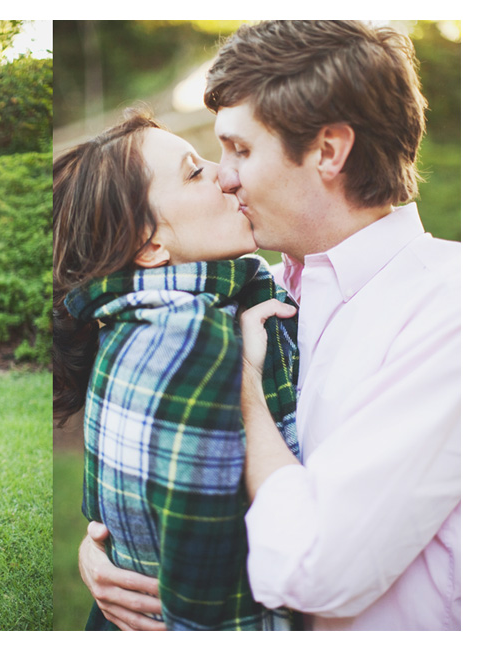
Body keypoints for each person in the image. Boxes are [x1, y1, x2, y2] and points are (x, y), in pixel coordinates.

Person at [77, 20, 460, 631]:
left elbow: (314, 568)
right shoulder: (258, 288)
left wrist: (243, 382)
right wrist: (113, 552)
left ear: (330, 151)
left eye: (241, 150)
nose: (224, 176)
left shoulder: (450, 309)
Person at [54, 107, 302, 630]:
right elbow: (209, 594)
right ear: (149, 246)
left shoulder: (138, 318)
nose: (223, 173)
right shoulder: (186, 335)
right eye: (195, 172)